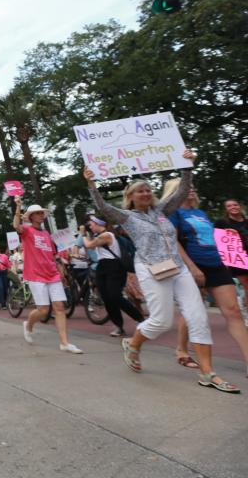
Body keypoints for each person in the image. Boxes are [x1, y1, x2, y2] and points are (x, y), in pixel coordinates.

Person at [85, 151, 239, 394]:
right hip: (150, 269)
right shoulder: (126, 217)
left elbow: (181, 190)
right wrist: (92, 184)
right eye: (140, 190)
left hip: (177, 268)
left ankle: (208, 372)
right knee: (161, 321)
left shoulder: (163, 211)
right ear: (130, 197)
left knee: (198, 317)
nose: (146, 193)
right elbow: (102, 207)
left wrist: (186, 166)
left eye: (148, 189)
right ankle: (133, 344)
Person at [164, 180, 248, 377]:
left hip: (217, 266)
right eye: (187, 186)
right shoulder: (173, 213)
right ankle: (182, 349)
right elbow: (173, 241)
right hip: (193, 267)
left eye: (193, 186)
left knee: (234, 312)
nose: (192, 189)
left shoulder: (200, 213)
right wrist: (192, 267)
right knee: (193, 310)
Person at [13, 197, 82, 354]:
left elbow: (53, 255)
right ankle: (28, 324)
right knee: (43, 310)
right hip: (36, 275)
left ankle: (64, 343)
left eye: (42, 213)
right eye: (38, 213)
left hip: (52, 274)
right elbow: (16, 225)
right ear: (31, 216)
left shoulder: (46, 234)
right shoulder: (27, 231)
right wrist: (18, 206)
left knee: (59, 308)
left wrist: (61, 270)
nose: (41, 216)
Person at [82, 216, 143, 337]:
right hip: (102, 266)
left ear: (98, 223)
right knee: (107, 298)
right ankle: (118, 326)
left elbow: (89, 245)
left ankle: (139, 319)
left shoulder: (107, 235)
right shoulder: (98, 236)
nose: (90, 226)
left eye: (91, 224)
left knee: (115, 296)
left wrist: (83, 234)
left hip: (114, 267)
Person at [216, 199, 248, 321]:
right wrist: (228, 233)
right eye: (229, 206)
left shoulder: (246, 221)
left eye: (235, 204)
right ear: (226, 209)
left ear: (239, 206)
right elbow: (217, 240)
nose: (233, 207)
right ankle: (244, 312)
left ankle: (243, 305)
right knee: (245, 284)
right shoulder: (222, 223)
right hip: (236, 257)